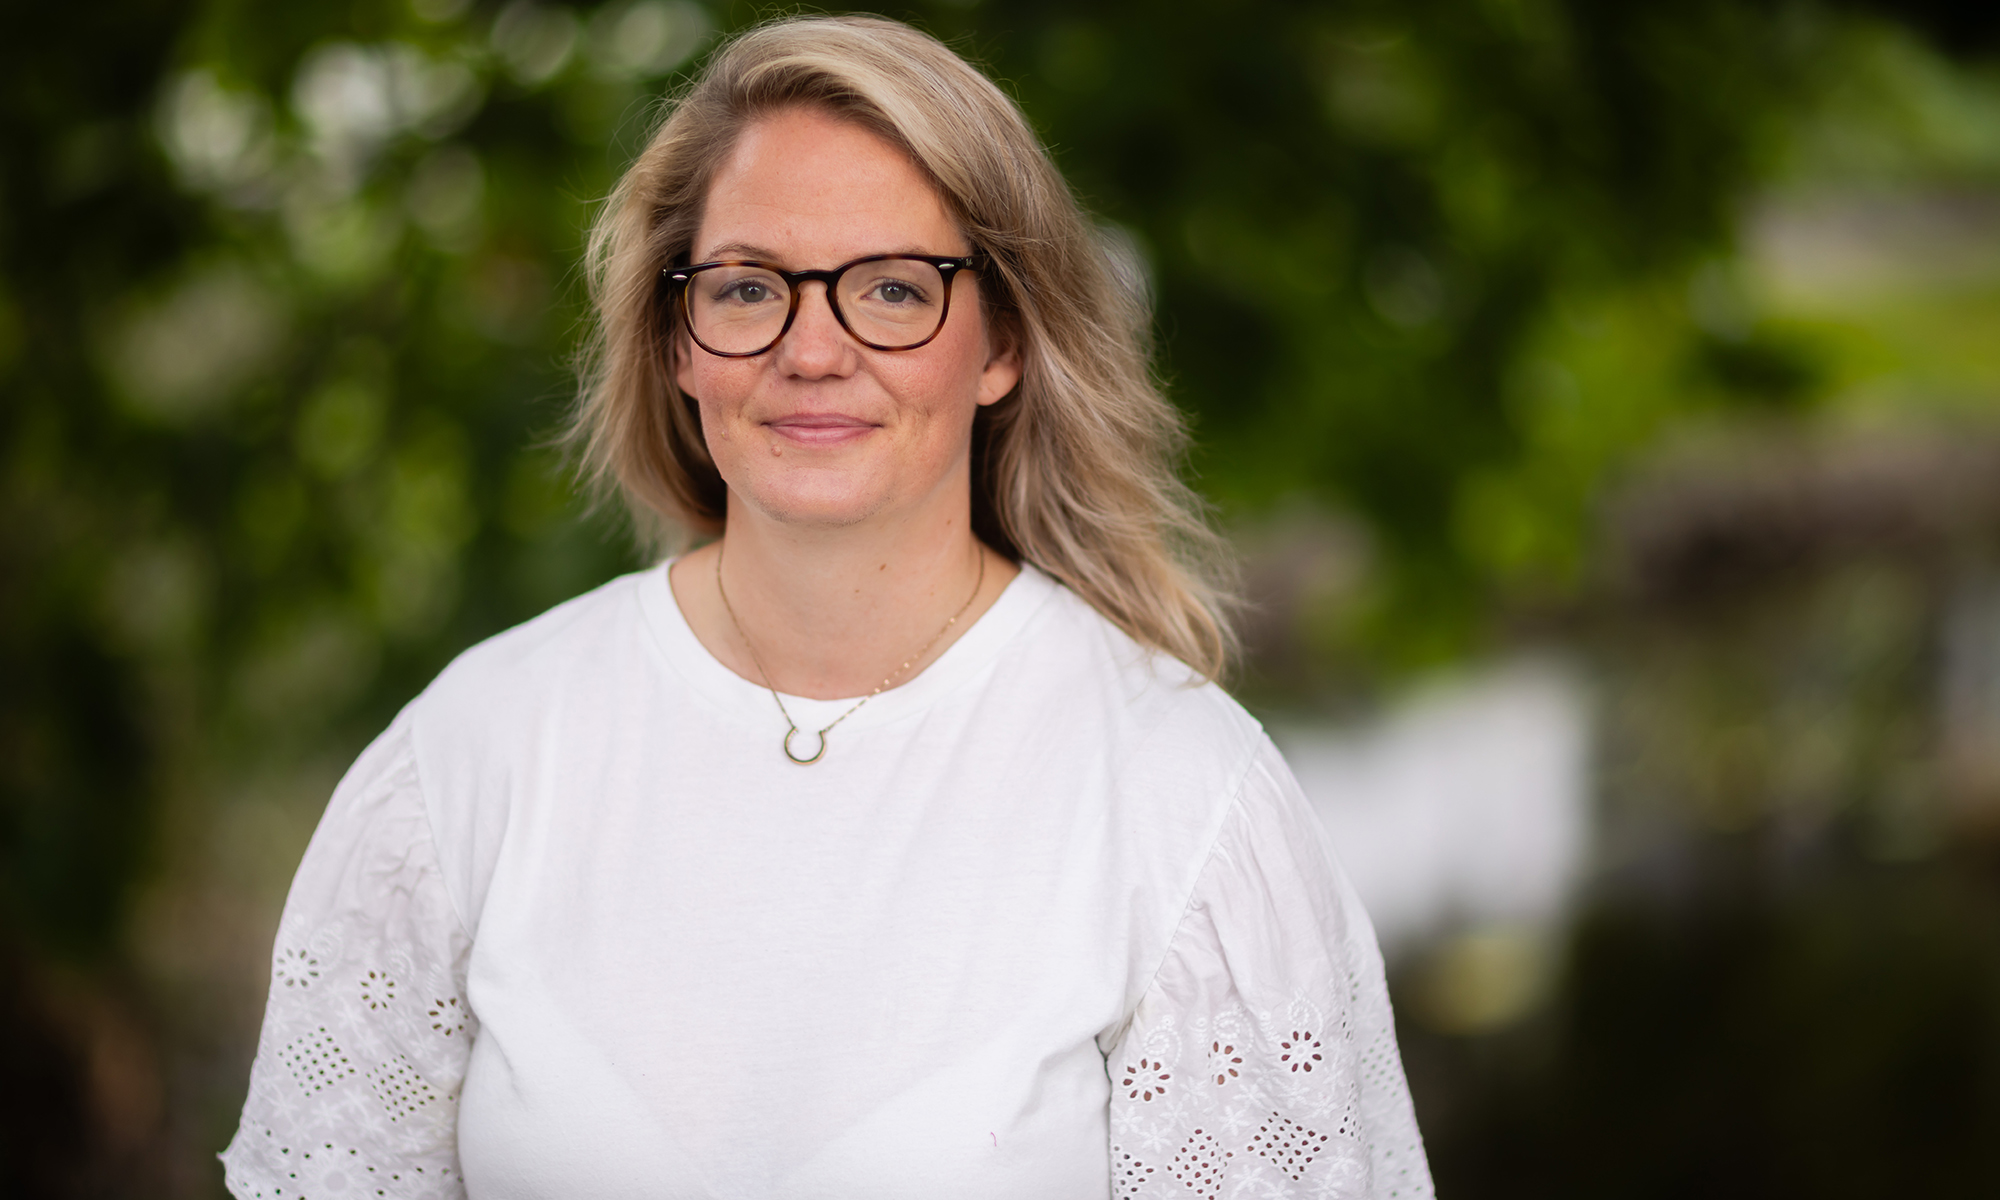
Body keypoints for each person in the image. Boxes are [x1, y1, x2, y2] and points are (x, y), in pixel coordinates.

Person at [221, 14, 1431, 1199]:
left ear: (1002, 340)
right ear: (677, 339)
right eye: (748, 290)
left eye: (894, 291)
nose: (809, 351)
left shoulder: (1176, 795)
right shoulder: (472, 757)